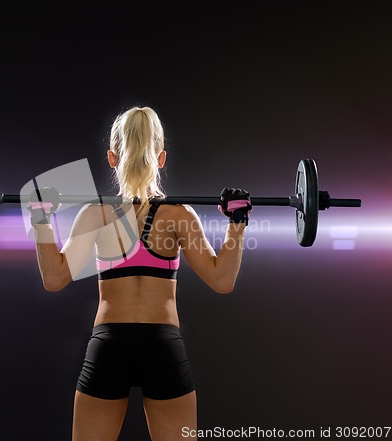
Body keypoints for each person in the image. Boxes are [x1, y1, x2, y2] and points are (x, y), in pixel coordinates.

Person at [27, 106, 251, 441]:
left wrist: (41, 218)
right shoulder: (179, 215)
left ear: (112, 157)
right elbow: (222, 281)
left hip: (109, 346)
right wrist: (236, 223)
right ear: (160, 158)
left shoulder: (96, 214)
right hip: (162, 348)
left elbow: (54, 279)